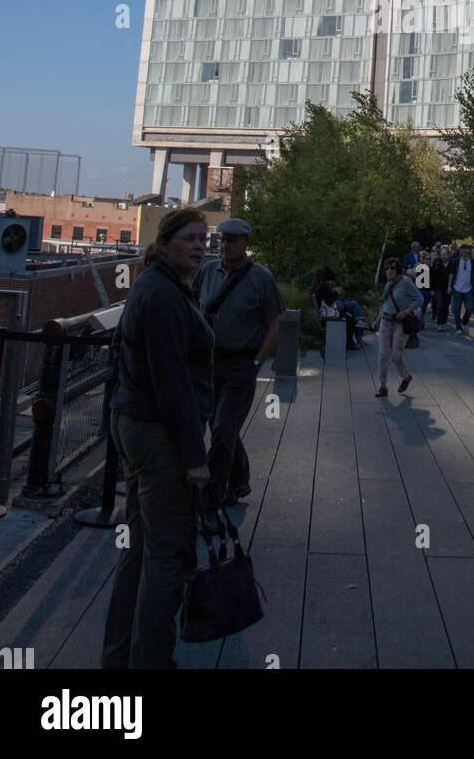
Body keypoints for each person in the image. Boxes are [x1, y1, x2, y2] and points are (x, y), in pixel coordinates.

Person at [101, 207, 213, 670]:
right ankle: (150, 660)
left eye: (203, 239)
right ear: (164, 245)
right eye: (189, 239)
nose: (200, 247)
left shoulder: (155, 286)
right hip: (157, 434)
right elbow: (171, 383)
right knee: (166, 553)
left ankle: (118, 656)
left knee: (140, 547)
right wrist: (194, 456)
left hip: (136, 424)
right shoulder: (165, 296)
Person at [192, 218, 283, 507]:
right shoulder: (207, 272)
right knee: (220, 426)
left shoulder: (261, 278)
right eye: (222, 239)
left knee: (223, 427)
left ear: (246, 243)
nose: (226, 245)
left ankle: (213, 493)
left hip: (240, 364)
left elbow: (273, 324)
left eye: (233, 240)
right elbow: (192, 310)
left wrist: (256, 363)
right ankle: (240, 479)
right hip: (209, 363)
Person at [374, 256, 421, 397]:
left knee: (396, 355)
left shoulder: (406, 282)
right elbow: (386, 304)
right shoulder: (388, 284)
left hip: (400, 323)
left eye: (392, 268)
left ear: (398, 270)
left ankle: (406, 376)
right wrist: (377, 320)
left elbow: (419, 299)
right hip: (386, 321)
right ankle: (383, 386)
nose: (389, 271)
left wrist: (406, 311)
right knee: (382, 355)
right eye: (386, 268)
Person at [447, 242, 474, 333]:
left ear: (469, 251)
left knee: (470, 308)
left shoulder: (473, 262)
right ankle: (458, 327)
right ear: (460, 251)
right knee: (456, 309)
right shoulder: (456, 261)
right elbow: (451, 274)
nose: (465, 251)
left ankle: (465, 321)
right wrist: (449, 286)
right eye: (463, 249)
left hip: (468, 289)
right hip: (457, 288)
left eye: (466, 249)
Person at [430, 244, 451, 330]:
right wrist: (431, 289)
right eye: (442, 255)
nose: (443, 257)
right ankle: (439, 323)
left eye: (445, 255)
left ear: (448, 255)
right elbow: (432, 276)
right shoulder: (436, 262)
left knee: (446, 305)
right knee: (439, 304)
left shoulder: (452, 263)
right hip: (438, 287)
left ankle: (444, 322)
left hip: (448, 287)